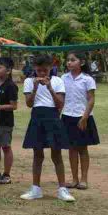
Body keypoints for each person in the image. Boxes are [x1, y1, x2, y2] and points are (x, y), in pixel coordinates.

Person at [20, 54, 75, 202]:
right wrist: (35, 88)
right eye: (39, 71)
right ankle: (36, 188)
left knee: (56, 155)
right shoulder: (29, 81)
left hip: (53, 117)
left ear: (51, 68)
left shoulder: (58, 81)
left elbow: (59, 104)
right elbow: (29, 104)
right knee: (38, 155)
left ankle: (62, 189)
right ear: (34, 69)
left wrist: (50, 88)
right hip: (37, 117)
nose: (42, 73)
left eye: (45, 70)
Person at [62, 52, 99, 191]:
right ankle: (74, 179)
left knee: (82, 148)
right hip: (67, 116)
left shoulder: (87, 79)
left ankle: (84, 179)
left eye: (73, 60)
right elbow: (62, 98)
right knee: (71, 149)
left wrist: (84, 117)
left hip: (83, 117)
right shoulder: (63, 78)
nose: (69, 63)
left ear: (81, 62)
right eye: (68, 60)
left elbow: (91, 99)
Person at [0, 57, 18, 184]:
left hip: (5, 122)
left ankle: (6, 174)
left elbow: (14, 106)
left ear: (8, 70)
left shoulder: (11, 86)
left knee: (5, 147)